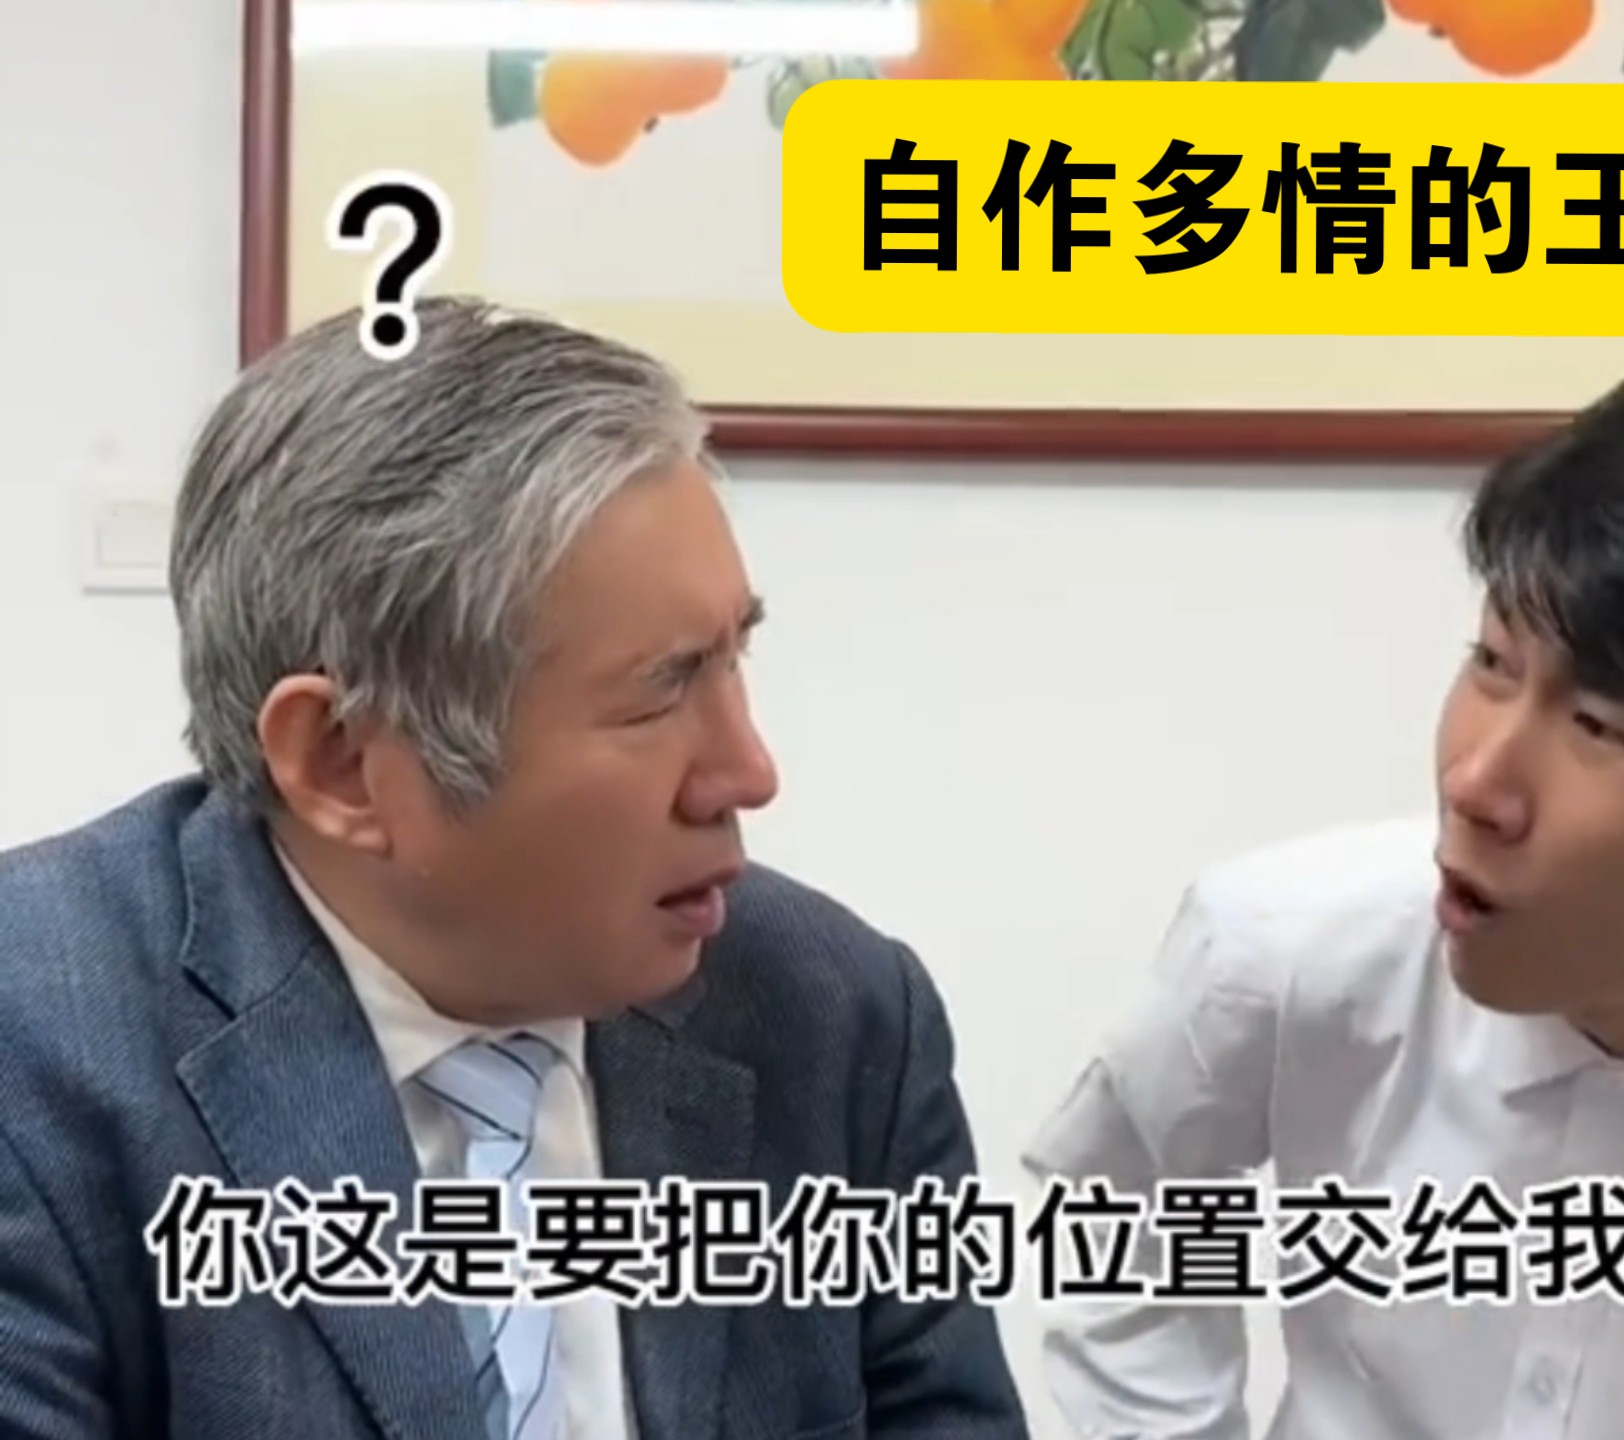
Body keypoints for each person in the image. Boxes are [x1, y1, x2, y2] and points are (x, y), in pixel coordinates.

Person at [0, 296, 1028, 1440]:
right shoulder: (37, 1054)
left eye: (734, 657)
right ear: (342, 763)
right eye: (659, 690)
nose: (748, 772)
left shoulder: (833, 1013)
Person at [1023, 351, 1624, 1440]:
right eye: (1492, 662)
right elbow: (1115, 1219)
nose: (1474, 783)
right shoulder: (1285, 950)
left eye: (1602, 726)